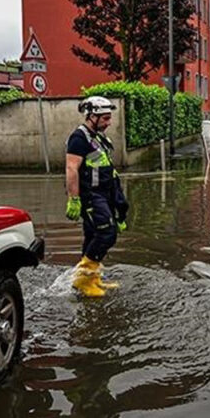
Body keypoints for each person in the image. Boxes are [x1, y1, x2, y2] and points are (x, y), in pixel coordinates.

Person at [65, 96, 129, 297]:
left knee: (92, 235)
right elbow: (71, 168)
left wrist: (118, 203)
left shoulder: (98, 138)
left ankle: (92, 278)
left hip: (105, 194)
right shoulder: (79, 138)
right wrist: (74, 199)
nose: (109, 122)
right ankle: (83, 278)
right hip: (91, 196)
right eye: (105, 118)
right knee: (106, 233)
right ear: (92, 116)